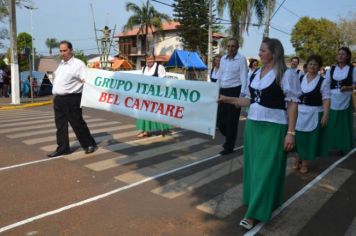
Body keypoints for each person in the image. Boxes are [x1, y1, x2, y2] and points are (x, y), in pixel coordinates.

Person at [219, 37, 301, 229]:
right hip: (253, 125)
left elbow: (292, 105)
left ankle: (255, 213)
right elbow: (248, 100)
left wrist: (291, 132)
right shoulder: (256, 73)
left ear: (274, 52)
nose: (259, 53)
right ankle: (257, 201)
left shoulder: (286, 74)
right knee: (254, 168)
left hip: (274, 126)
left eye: (263, 50)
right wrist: (226, 99)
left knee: (267, 169)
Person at [47, 40, 97, 158]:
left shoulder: (78, 64)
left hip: (72, 98)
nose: (62, 53)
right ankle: (63, 148)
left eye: (65, 50)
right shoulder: (60, 64)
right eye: (61, 51)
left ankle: (89, 144)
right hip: (59, 99)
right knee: (60, 125)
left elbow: (86, 79)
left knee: (77, 123)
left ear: (71, 50)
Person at [294, 55, 330, 174]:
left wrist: (325, 114)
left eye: (315, 64)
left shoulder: (323, 81)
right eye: (310, 64)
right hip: (299, 112)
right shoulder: (300, 78)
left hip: (314, 113)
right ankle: (298, 158)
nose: (312, 66)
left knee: (309, 139)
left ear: (319, 67)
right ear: (306, 66)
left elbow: (326, 99)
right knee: (298, 137)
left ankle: (305, 163)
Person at [216, 38, 248, 155]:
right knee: (220, 121)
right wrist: (216, 90)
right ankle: (230, 138)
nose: (230, 48)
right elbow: (220, 76)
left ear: (237, 47)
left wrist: (240, 98)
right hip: (223, 91)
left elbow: (244, 78)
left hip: (235, 91)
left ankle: (229, 146)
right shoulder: (223, 59)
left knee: (232, 122)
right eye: (228, 46)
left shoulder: (241, 59)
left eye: (233, 46)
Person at [323, 46, 355, 155]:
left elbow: (355, 84)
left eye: (343, 54)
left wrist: (348, 87)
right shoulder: (331, 69)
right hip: (332, 98)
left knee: (343, 124)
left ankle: (342, 145)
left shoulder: (352, 69)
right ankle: (330, 143)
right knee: (331, 122)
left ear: (347, 56)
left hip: (345, 98)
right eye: (339, 54)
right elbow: (326, 84)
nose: (340, 56)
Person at [136, 54, 172, 138]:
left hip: (156, 94)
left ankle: (163, 129)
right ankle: (145, 130)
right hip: (145, 94)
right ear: (145, 60)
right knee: (144, 112)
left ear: (154, 59)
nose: (150, 60)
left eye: (151, 59)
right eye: (148, 59)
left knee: (158, 111)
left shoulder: (159, 67)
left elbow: (163, 81)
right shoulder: (144, 68)